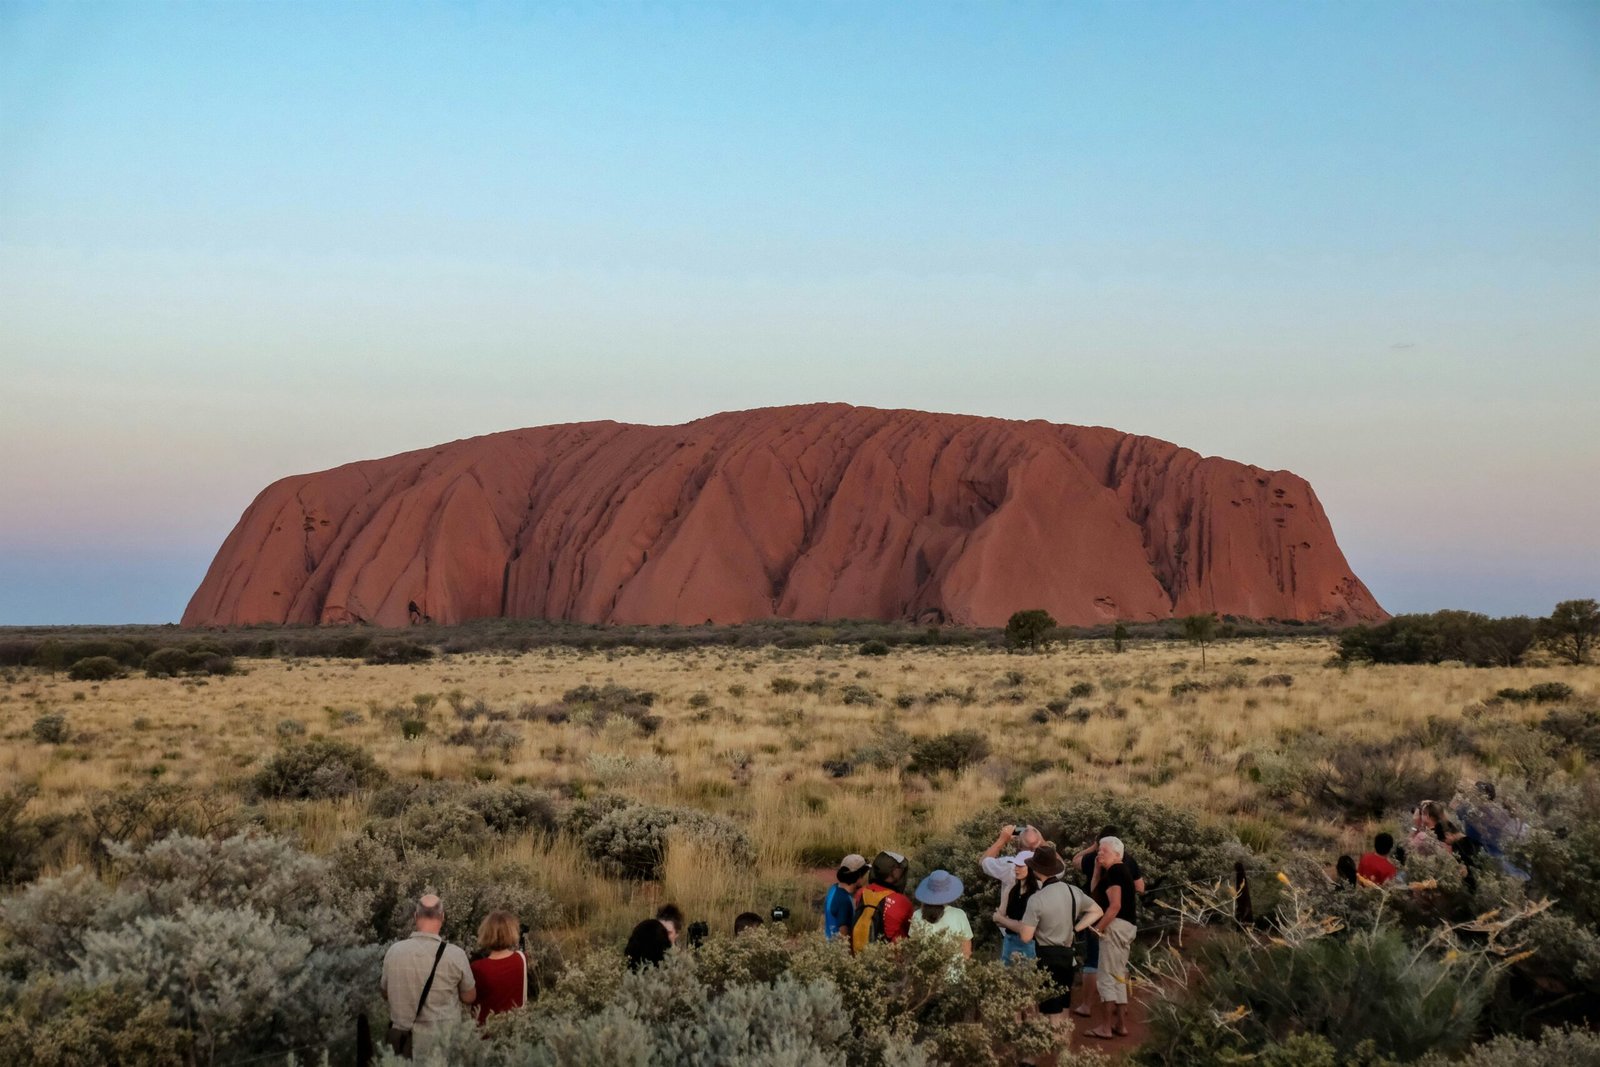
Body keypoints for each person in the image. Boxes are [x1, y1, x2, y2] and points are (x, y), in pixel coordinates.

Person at [992, 846, 1101, 1019]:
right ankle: (1063, 1043)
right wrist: (1076, 928)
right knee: (1064, 1008)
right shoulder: (1072, 891)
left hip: (1045, 956)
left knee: (1048, 1012)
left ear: (1036, 868)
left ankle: (1047, 1043)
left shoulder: (1038, 898)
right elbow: (1097, 911)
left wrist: (1002, 920)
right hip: (1067, 955)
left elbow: (1026, 936)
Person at [380, 894, 476, 1059]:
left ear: (416, 916)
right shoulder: (456, 955)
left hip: (402, 1045)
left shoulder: (394, 952)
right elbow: (469, 997)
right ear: (442, 917)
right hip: (441, 1045)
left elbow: (385, 993)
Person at [1083, 837, 1138, 1040]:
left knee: (1106, 976)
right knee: (1119, 975)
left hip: (1115, 927)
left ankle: (1105, 1027)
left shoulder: (1115, 871)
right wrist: (1097, 870)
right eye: (1099, 850)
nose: (1099, 853)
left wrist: (1099, 928)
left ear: (1117, 854)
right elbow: (1095, 892)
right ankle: (1120, 1024)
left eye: (1104, 851)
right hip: (1128, 927)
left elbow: (1114, 905)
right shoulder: (1120, 871)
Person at [1071, 828, 1144, 977]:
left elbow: (1075, 861)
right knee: (1117, 963)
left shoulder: (1095, 858)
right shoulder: (1128, 860)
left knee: (1094, 961)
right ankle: (1117, 996)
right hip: (1125, 919)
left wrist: (1092, 848)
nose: (1100, 853)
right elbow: (1140, 887)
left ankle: (1090, 1000)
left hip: (1101, 916)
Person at [910, 869, 973, 977]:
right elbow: (967, 951)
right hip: (954, 975)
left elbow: (913, 948)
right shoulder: (959, 915)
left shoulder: (917, 915)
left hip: (925, 976)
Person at [469, 910, 526, 1024]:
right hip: (514, 1028)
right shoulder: (521, 959)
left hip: (484, 1031)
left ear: (485, 933)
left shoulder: (477, 968)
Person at [851, 850, 914, 952]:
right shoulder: (903, 902)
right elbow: (911, 929)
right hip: (891, 958)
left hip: (861, 955)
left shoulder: (861, 893)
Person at [997, 850, 1038, 965]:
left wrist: (1003, 920)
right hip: (1009, 941)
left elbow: (999, 918)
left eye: (1020, 866)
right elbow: (997, 919)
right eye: (1016, 865)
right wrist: (1006, 921)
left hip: (1029, 944)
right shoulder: (1011, 889)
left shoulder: (1037, 892)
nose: (1016, 869)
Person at [824, 854, 870, 940]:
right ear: (859, 875)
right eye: (864, 874)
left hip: (828, 946)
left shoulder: (834, 888)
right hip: (837, 950)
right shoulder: (844, 901)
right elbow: (843, 935)